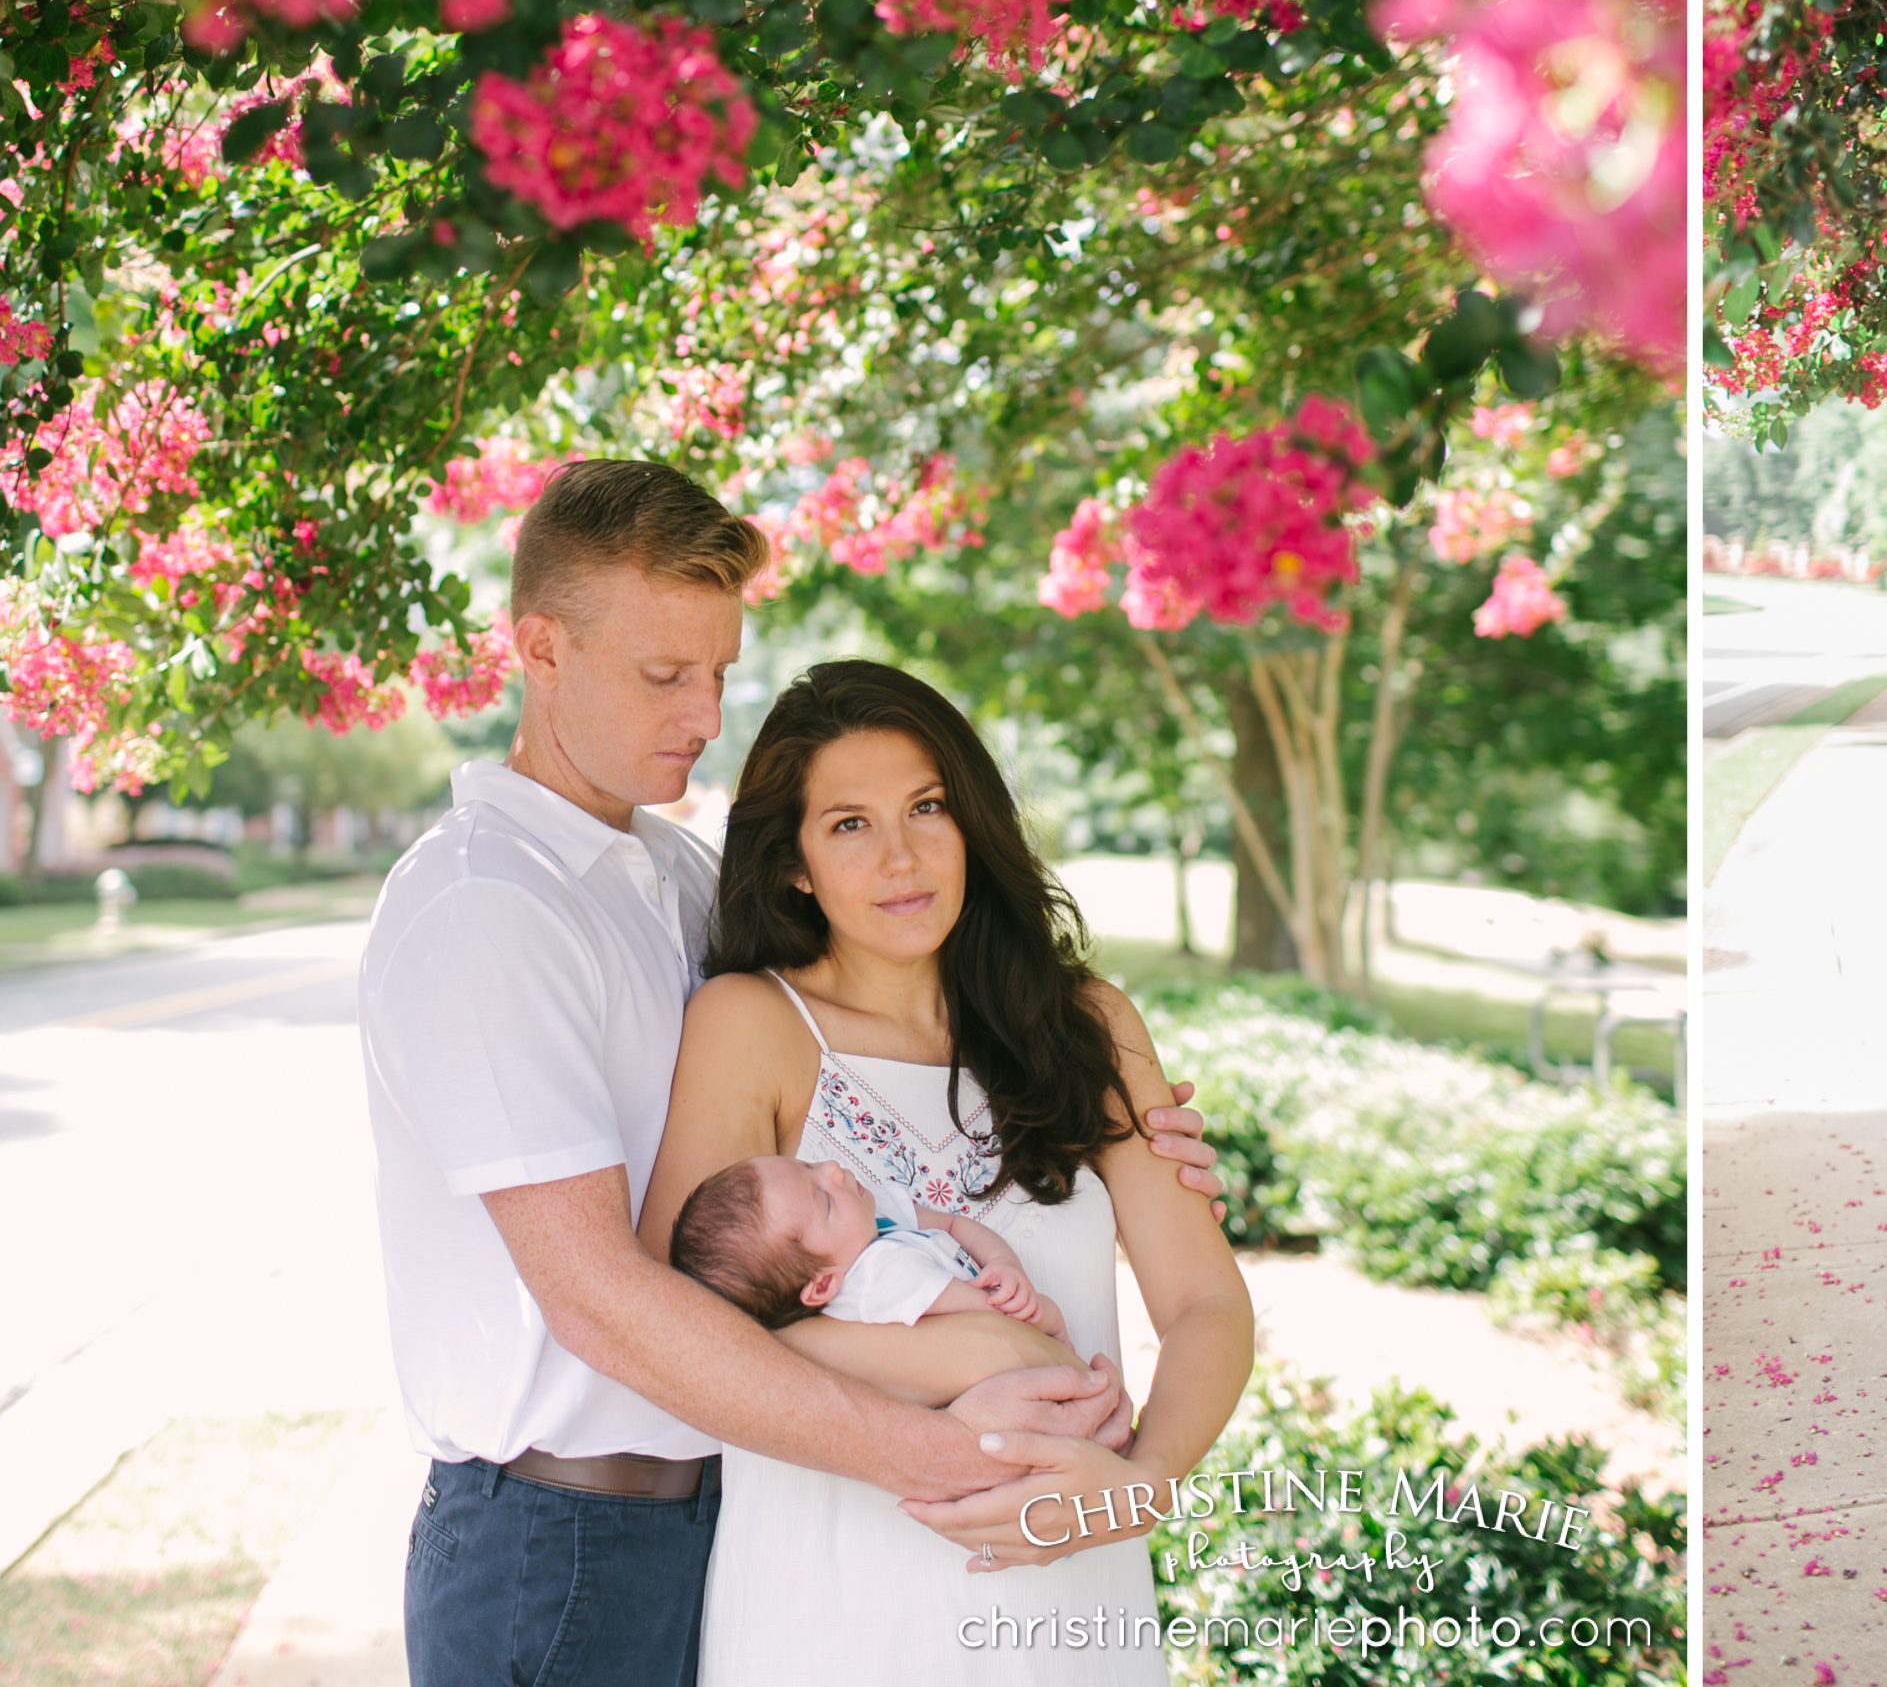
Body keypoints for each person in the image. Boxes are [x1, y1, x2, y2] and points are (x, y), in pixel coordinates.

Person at [359, 460, 1221, 1687]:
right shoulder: (486, 910)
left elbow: (884, 973)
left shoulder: (669, 877)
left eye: (719, 670)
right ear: (538, 649)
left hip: (720, 1503)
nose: (706, 715)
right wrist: (940, 1443)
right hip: (559, 1533)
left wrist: (1151, 1136)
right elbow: (602, 1294)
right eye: (665, 675)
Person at [639, 658, 1251, 1684]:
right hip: (833, 1605)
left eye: (928, 807)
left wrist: (1137, 1485)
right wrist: (969, 1368)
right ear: (793, 865)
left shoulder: (1085, 1023)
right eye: (849, 825)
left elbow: (1205, 1303)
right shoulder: (751, 1026)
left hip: (1073, 1587)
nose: (902, 857)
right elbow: (675, 1325)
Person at [672, 1153, 1070, 1339]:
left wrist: (1004, 1263)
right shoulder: (880, 1278)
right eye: (824, 1198)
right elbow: (1004, 1322)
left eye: (807, 1166)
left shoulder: (869, 1221)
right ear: (824, 1285)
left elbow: (952, 1223)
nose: (832, 1170)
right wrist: (1047, 1315)